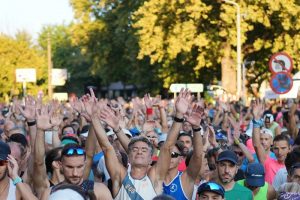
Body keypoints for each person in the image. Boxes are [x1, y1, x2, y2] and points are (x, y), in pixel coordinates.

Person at [85, 88, 192, 199]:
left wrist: (179, 115)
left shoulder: (154, 177)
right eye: (135, 149)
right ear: (129, 157)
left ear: (151, 159)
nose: (139, 151)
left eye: (144, 150)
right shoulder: (120, 176)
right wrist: (94, 117)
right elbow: (107, 147)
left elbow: (168, 148)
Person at [41, 144, 112, 200]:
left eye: (79, 167)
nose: (75, 173)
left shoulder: (99, 190)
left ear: (85, 164)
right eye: (70, 167)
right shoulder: (49, 193)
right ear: (60, 165)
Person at [163, 103, 203, 200]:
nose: (169, 157)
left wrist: (196, 128)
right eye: (167, 154)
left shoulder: (186, 178)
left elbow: (197, 156)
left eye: (173, 155)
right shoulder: (152, 176)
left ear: (181, 159)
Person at [252, 102, 290, 184]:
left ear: (289, 149)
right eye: (276, 149)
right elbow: (257, 145)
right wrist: (256, 120)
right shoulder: (268, 162)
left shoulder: (294, 168)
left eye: (283, 148)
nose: (279, 152)